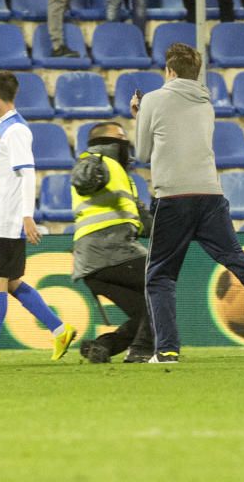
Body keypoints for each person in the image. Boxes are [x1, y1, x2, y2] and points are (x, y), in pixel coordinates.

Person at [134, 43, 244, 363]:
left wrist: (140, 114)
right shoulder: (205, 102)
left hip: (173, 196)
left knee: (159, 275)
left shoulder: (154, 100)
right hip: (210, 195)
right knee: (237, 260)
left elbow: (143, 153)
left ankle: (167, 349)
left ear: (169, 71)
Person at [0, 71, 78, 363]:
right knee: (12, 282)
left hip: (3, 220)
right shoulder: (6, 128)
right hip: (1, 218)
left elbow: (27, 174)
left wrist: (27, 216)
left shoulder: (15, 131)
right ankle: (59, 329)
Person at [71, 122, 154, 364]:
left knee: (145, 313)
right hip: (110, 252)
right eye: (120, 138)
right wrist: (92, 168)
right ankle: (142, 350)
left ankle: (102, 346)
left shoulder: (121, 176)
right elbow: (82, 177)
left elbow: (142, 218)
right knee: (160, 282)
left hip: (95, 263)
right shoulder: (95, 162)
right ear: (106, 143)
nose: (125, 143)